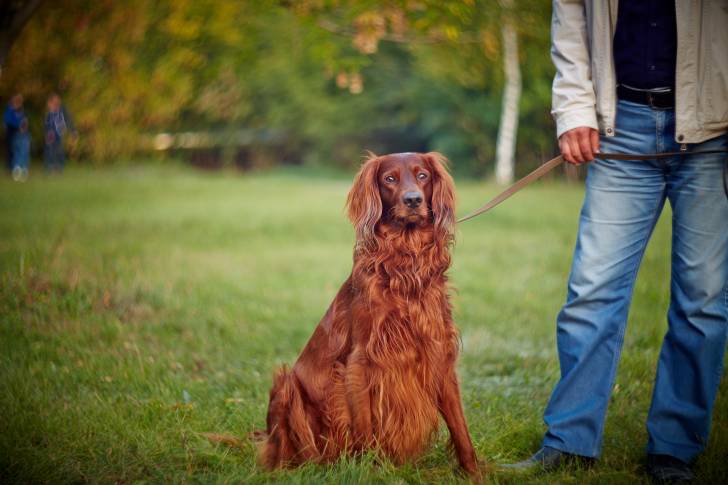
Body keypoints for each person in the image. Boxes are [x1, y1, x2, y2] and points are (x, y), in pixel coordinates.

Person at [504, 2, 728, 483]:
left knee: (703, 300)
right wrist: (573, 111)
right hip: (618, 128)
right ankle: (569, 441)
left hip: (715, 131)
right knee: (591, 292)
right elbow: (571, 26)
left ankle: (673, 450)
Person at [44, 93, 75, 172]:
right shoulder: (49, 114)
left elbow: (66, 122)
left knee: (59, 151)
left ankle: (58, 167)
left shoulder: (61, 112)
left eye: (57, 101)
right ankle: (51, 167)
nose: (56, 103)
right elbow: (47, 125)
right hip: (50, 136)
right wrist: (48, 133)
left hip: (58, 136)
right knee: (50, 151)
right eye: (54, 101)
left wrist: (71, 131)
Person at [4, 93, 25, 175]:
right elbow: (8, 121)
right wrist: (18, 125)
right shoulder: (10, 109)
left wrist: (22, 126)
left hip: (17, 133)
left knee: (17, 151)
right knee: (10, 150)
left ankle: (15, 167)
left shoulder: (20, 110)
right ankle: (10, 168)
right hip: (10, 132)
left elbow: (23, 120)